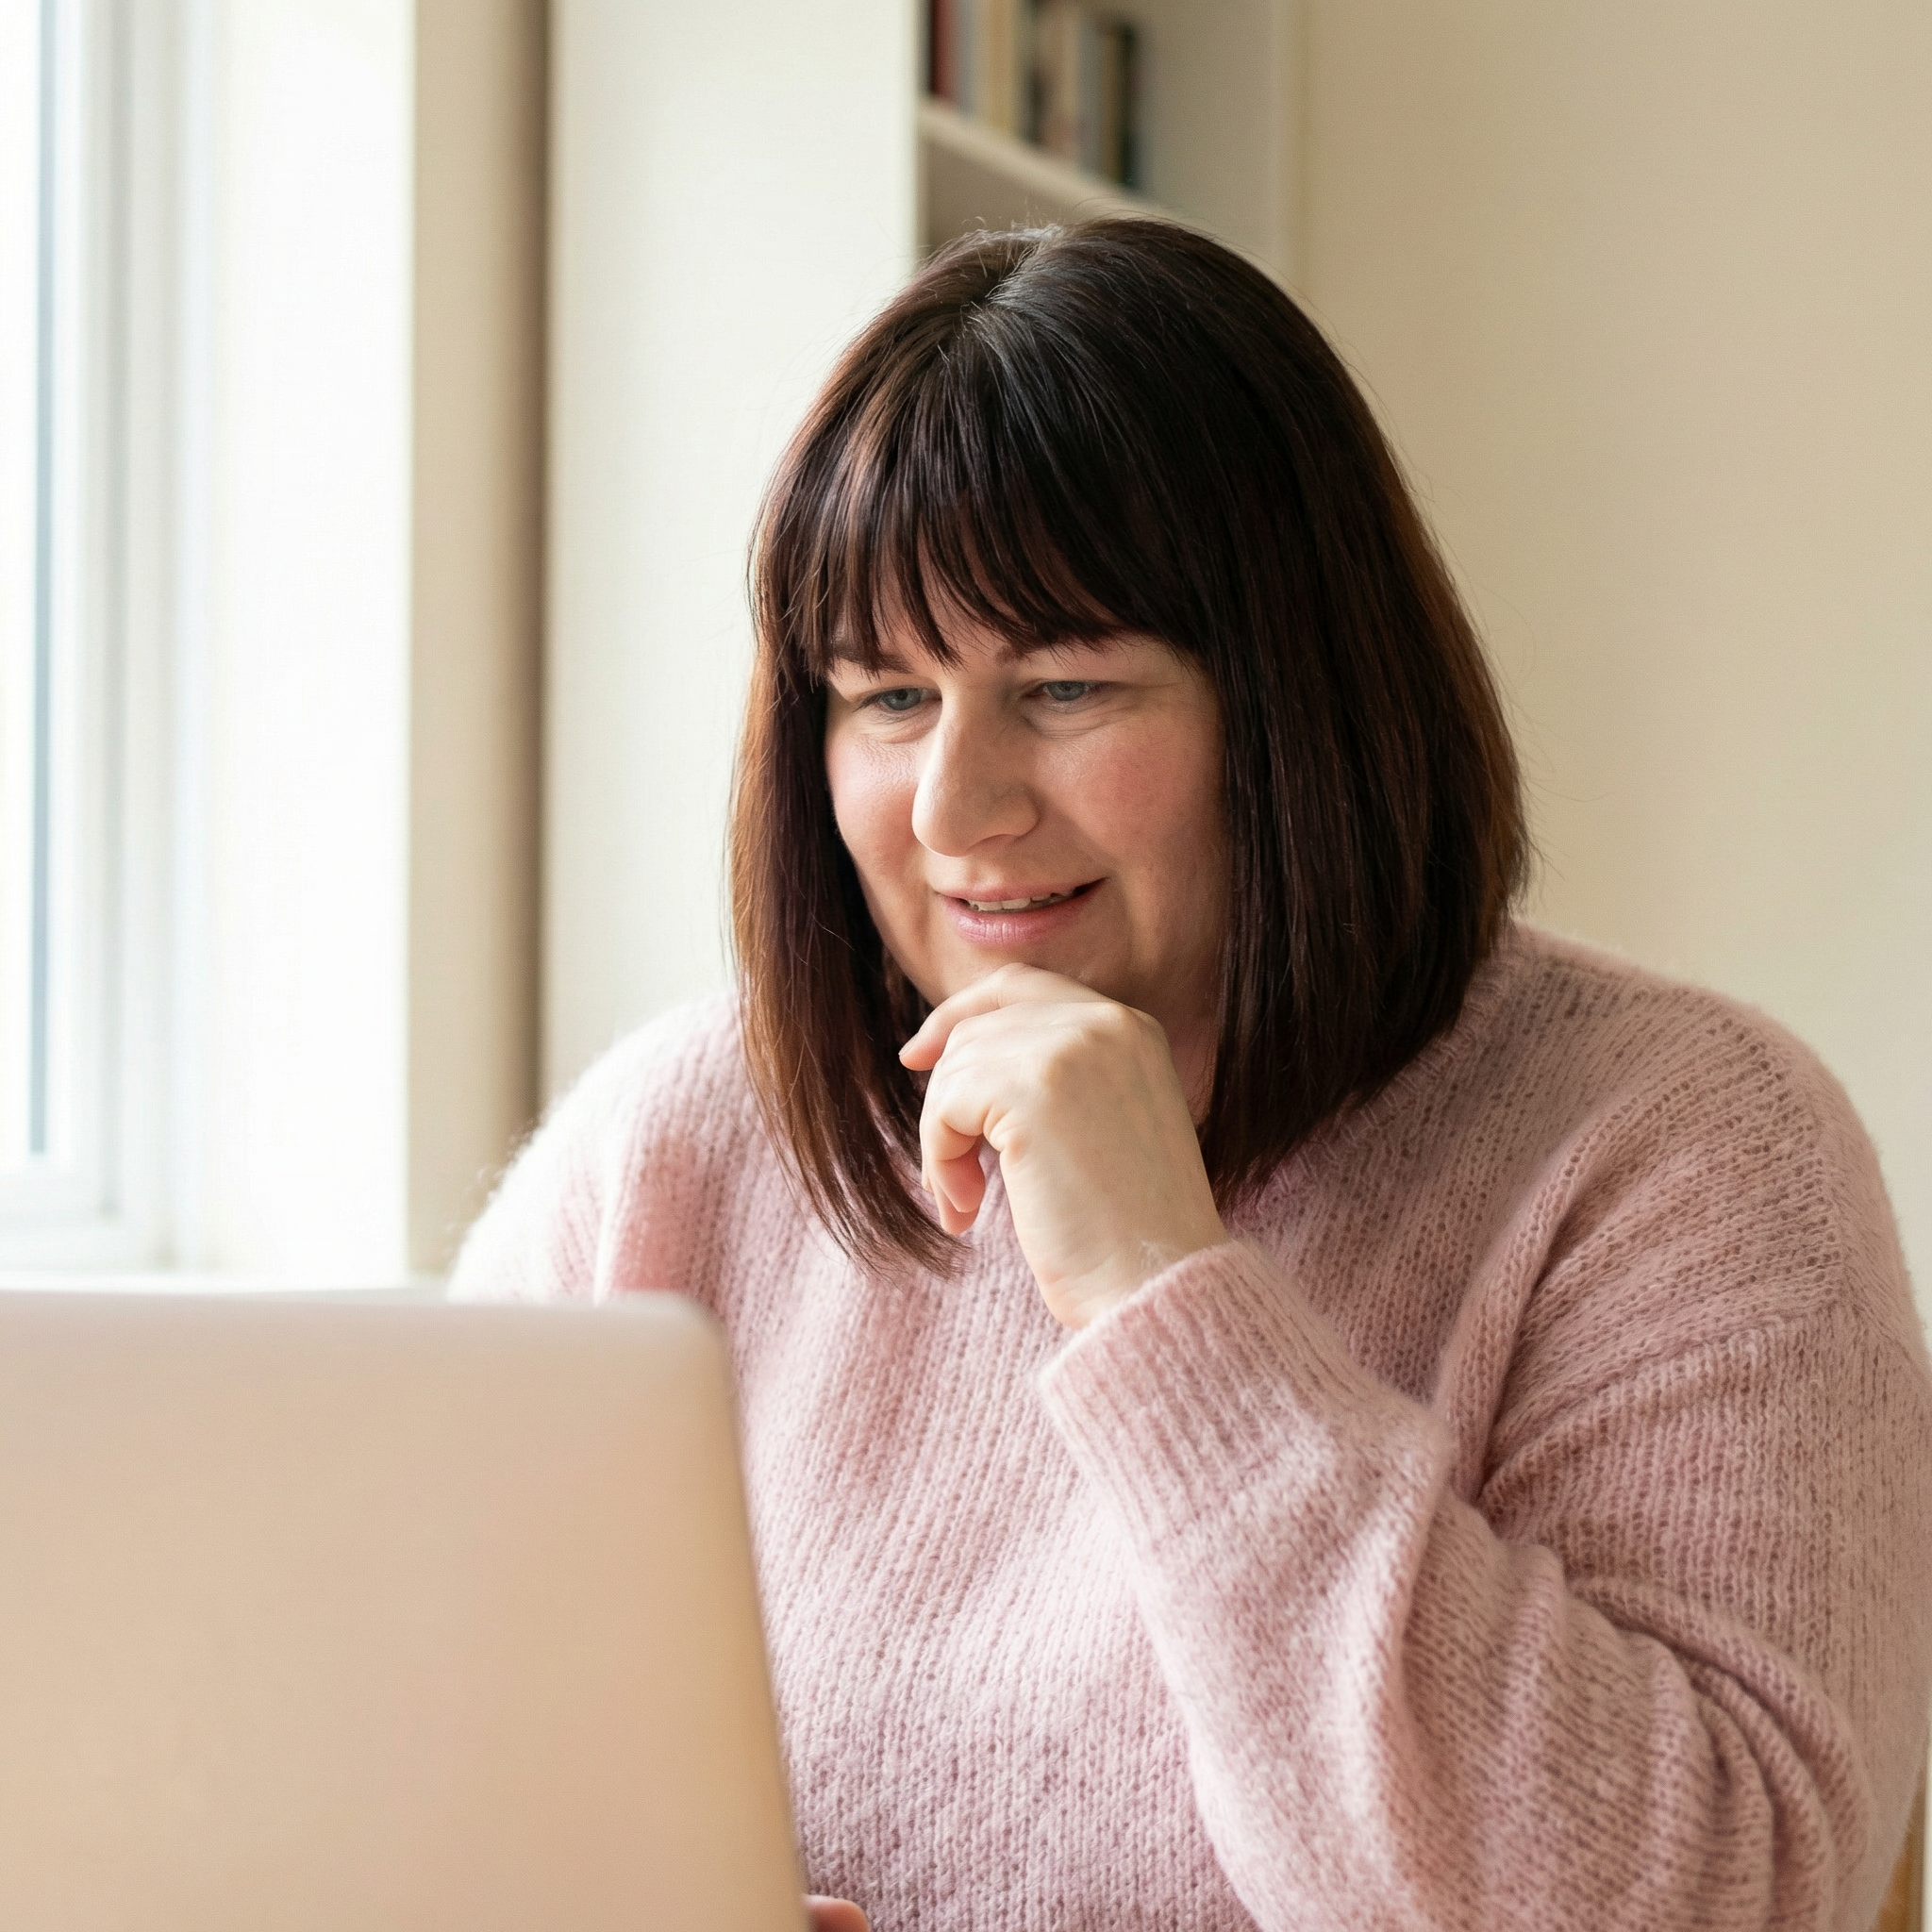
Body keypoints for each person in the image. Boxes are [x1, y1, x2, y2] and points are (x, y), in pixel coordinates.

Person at [452, 219, 1932, 1930]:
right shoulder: (676, 1144)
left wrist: (1164, 1293)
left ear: (1301, 706)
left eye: (1066, 685)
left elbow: (1709, 1901)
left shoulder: (1683, 1150)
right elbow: (405, 1758)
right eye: (883, 697)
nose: (955, 811)